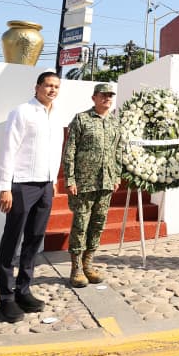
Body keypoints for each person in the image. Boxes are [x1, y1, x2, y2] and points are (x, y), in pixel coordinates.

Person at [0, 71, 65, 324]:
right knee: (12, 240)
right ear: (37, 87)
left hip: (45, 185)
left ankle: (23, 291)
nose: (52, 90)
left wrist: (54, 181)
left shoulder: (56, 116)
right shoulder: (22, 112)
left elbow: (56, 152)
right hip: (22, 185)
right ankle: (5, 298)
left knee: (34, 240)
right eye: (48, 85)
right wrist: (5, 187)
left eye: (56, 86)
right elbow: (8, 150)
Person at [62, 82, 124, 288]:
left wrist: (116, 177)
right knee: (80, 225)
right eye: (103, 95)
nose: (107, 98)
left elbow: (118, 152)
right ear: (94, 98)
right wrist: (70, 179)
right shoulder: (82, 119)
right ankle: (76, 268)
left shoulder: (115, 123)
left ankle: (88, 264)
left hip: (106, 183)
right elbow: (69, 151)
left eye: (110, 95)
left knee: (98, 225)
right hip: (83, 184)